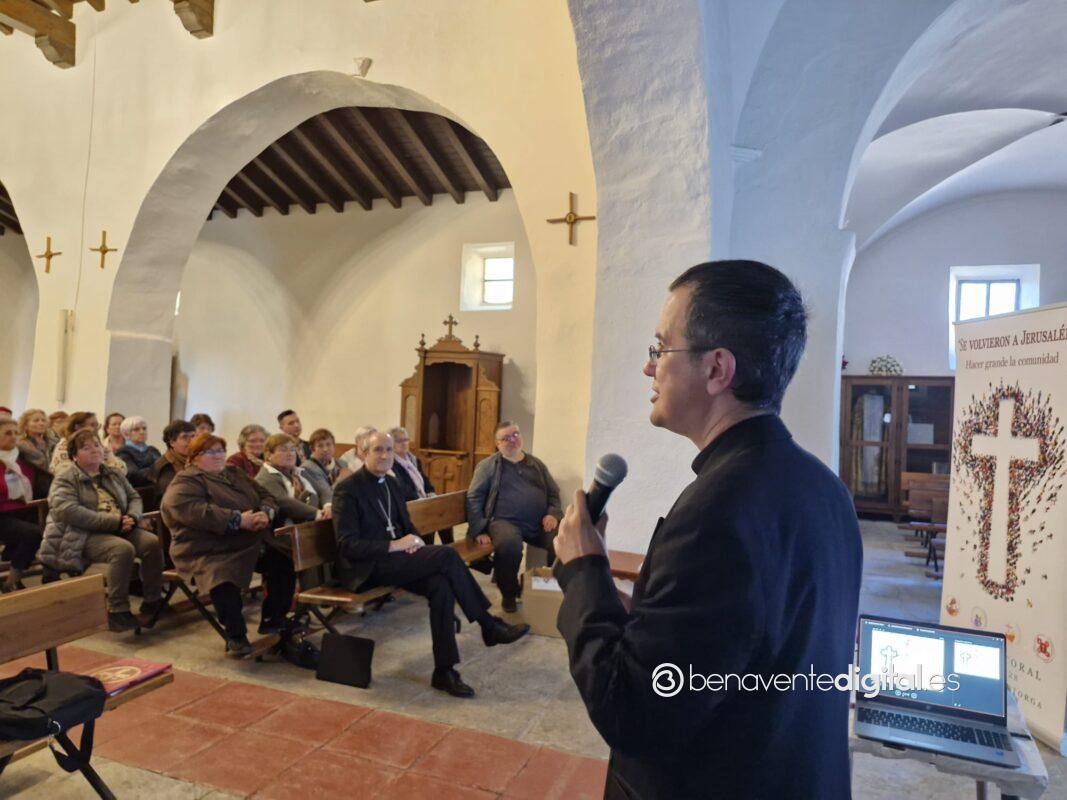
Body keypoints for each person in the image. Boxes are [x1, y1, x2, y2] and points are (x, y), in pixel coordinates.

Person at [552, 261, 864, 800]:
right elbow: (746, 647)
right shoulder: (824, 488)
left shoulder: (716, 512)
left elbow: (633, 711)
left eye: (661, 348)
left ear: (718, 368)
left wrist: (583, 571)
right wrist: (623, 603)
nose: (650, 369)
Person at [332, 431, 529, 697]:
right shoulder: (347, 490)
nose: (385, 455)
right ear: (363, 452)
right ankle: (488, 624)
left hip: (398, 560)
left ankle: (444, 671)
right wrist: (394, 545)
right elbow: (347, 545)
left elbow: (407, 526)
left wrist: (413, 542)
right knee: (446, 555)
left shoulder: (391, 484)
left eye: (389, 450)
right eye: (378, 450)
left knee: (441, 585)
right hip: (367, 568)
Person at [161, 433, 292, 655]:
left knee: (283, 558)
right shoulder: (187, 481)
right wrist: (238, 519)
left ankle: (273, 618)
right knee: (222, 576)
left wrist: (265, 513)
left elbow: (266, 495)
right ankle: (235, 635)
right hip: (204, 547)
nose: (218, 456)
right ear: (194, 458)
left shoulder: (234, 473)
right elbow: (192, 510)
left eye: (220, 450)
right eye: (210, 452)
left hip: (245, 540)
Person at [39, 429, 167, 631]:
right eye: (86, 448)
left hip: (120, 525)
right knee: (122, 549)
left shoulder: (112, 472)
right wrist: (115, 522)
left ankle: (153, 600)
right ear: (74, 455)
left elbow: (133, 497)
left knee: (151, 542)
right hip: (82, 534)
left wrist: (133, 517)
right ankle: (118, 610)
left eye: (97, 445)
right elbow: (69, 511)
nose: (94, 450)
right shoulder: (66, 478)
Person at [465, 421, 561, 612]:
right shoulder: (488, 466)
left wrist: (552, 514)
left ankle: (554, 588)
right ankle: (509, 593)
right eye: (505, 438)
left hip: (538, 522)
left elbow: (553, 493)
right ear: (497, 444)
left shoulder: (535, 464)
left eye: (515, 434)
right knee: (510, 545)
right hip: (503, 522)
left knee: (563, 539)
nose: (512, 440)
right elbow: (474, 497)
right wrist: (479, 529)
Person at [0, 418, 43, 592]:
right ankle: (12, 580)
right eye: (7, 433)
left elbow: (38, 481)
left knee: (49, 526)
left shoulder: (21, 458)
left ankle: (12, 559)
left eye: (15, 433)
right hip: (2, 513)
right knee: (33, 533)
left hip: (24, 509)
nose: (13, 437)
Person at [389, 425, 452, 545]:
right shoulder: (391, 462)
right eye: (399, 441)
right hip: (409, 504)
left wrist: (431, 492)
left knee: (444, 512)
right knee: (432, 518)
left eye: (406, 440)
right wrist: (420, 500)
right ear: (392, 444)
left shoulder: (413, 459)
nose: (404, 443)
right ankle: (429, 549)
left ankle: (450, 547)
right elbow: (402, 487)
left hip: (422, 500)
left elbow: (424, 480)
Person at [256, 433, 330, 523]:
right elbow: (284, 503)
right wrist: (318, 514)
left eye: (292, 449)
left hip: (318, 521)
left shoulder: (300, 472)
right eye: (283, 450)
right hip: (288, 529)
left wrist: (328, 506)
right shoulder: (265, 478)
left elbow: (322, 490)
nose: (290, 454)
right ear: (269, 455)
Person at [50, 412, 127, 476]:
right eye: (93, 425)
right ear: (78, 427)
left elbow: (122, 469)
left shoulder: (100, 446)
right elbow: (65, 473)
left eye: (97, 425)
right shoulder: (64, 445)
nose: (96, 429)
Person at [149, 419, 196, 496]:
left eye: (193, 436)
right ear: (172, 443)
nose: (191, 441)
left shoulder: (195, 460)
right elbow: (174, 494)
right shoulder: (165, 466)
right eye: (185, 437)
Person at [16, 408, 57, 491]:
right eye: (36, 421)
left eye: (43, 420)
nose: (41, 423)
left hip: (53, 482)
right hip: (32, 484)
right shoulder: (20, 444)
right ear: (25, 425)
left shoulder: (54, 442)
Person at [115, 416, 162, 488]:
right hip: (139, 493)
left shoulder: (153, 450)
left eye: (144, 428)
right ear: (126, 433)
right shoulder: (123, 452)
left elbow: (165, 471)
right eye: (136, 429)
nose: (142, 432)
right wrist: (158, 469)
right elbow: (134, 476)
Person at [300, 428, 341, 507]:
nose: (325, 449)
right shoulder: (307, 468)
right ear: (312, 449)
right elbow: (325, 492)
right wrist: (341, 479)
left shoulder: (342, 463)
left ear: (334, 446)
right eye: (320, 446)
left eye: (328, 444)